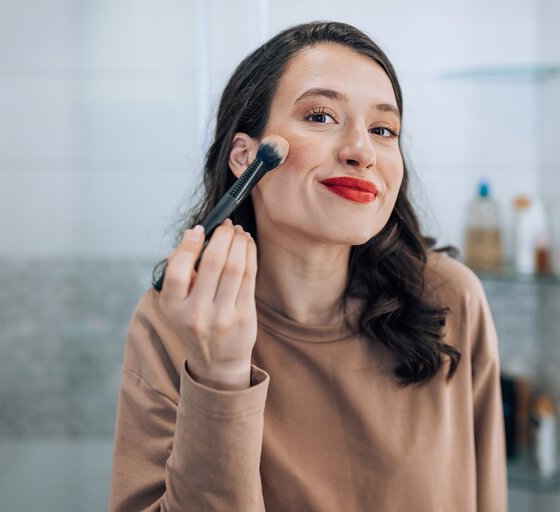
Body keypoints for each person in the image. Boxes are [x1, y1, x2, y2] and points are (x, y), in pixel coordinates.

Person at [109, 21, 507, 511]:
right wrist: (220, 377)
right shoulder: (175, 319)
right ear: (246, 156)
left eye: (383, 130)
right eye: (321, 117)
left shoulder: (450, 298)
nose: (362, 151)